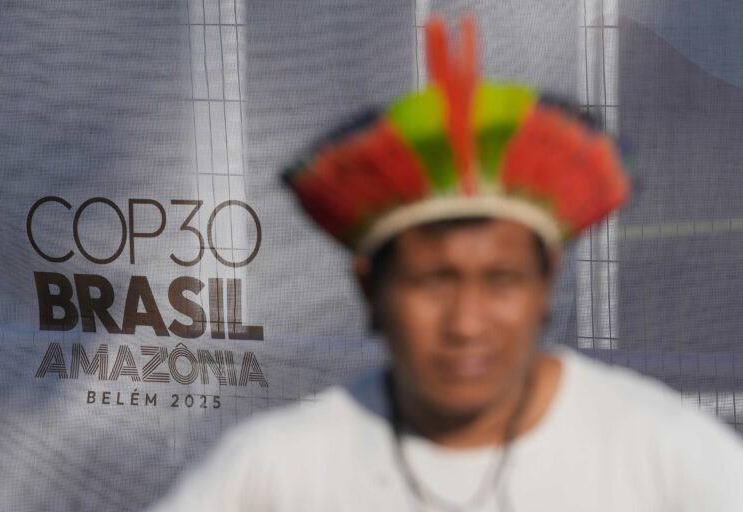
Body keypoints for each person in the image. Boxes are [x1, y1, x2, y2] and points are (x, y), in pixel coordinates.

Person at [147, 14, 743, 512]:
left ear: (547, 281)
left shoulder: (665, 456)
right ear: (369, 288)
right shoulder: (275, 470)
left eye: (502, 280)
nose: (467, 322)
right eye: (433, 281)